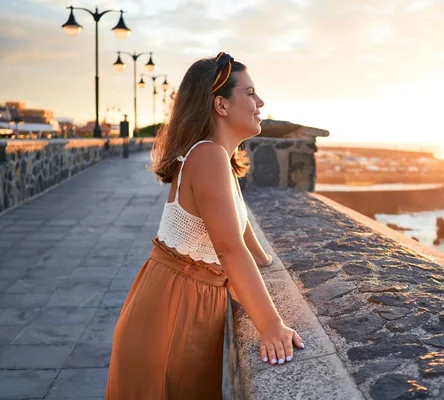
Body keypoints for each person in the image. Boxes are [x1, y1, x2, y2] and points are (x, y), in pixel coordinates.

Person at [105, 52, 304, 399]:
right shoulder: (208, 155)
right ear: (221, 105)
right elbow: (229, 250)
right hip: (173, 308)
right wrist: (271, 325)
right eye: (250, 92)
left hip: (183, 302)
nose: (260, 102)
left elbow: (249, 245)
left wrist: (277, 272)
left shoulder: (219, 159)